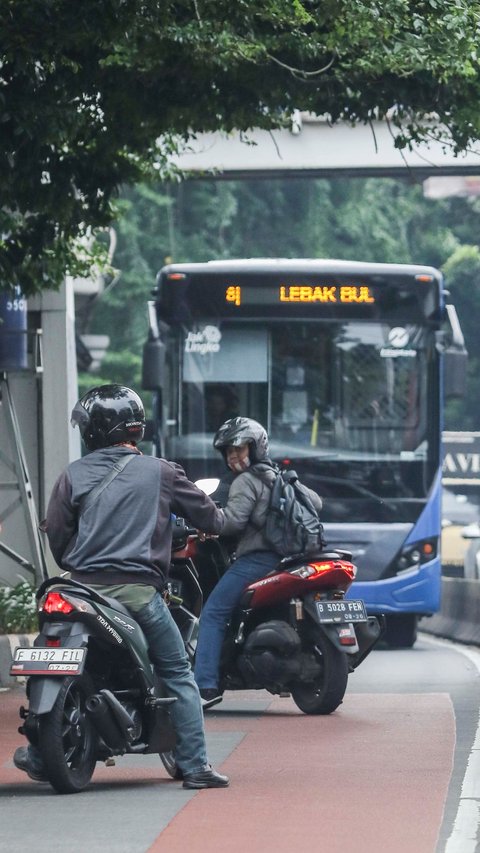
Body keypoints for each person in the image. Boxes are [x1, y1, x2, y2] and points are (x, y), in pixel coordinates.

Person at [13, 384, 229, 789]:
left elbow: (59, 535)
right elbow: (211, 518)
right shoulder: (160, 471)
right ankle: (196, 766)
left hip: (78, 589)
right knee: (178, 670)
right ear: (134, 427)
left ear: (94, 430)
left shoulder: (73, 474)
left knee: (55, 653)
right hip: (137, 592)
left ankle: (42, 752)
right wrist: (216, 524)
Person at [194, 416, 323, 709]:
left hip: (259, 560)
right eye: (228, 452)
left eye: (239, 449)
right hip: (294, 558)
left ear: (256, 448)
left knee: (213, 612)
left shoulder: (246, 482)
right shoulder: (282, 476)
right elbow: (316, 503)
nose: (233, 456)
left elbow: (233, 522)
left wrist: (208, 522)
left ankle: (204, 686)